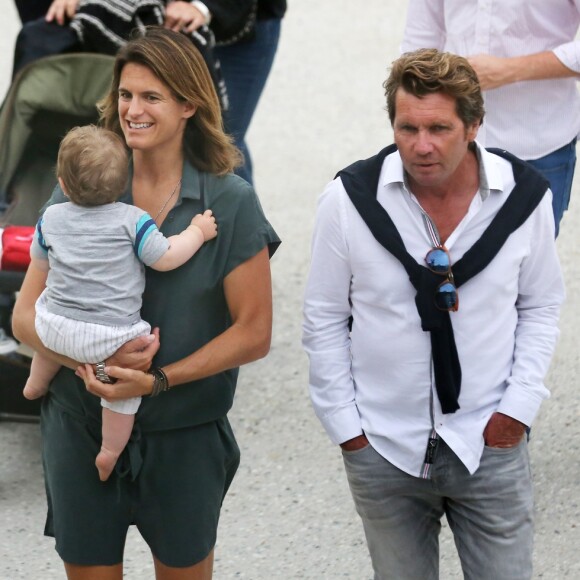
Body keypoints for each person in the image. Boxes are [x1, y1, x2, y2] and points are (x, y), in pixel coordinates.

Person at [12, 26, 280, 579]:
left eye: (151, 97)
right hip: (78, 425)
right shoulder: (80, 186)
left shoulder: (229, 203)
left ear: (188, 104)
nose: (133, 109)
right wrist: (93, 364)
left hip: (184, 435)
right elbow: (24, 316)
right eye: (126, 95)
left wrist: (157, 380)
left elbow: (253, 334)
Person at [302, 48, 564, 580]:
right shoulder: (348, 201)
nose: (421, 147)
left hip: (488, 442)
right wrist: (348, 429)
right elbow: (324, 317)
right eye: (407, 128)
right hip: (383, 446)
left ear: (474, 125)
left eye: (439, 128)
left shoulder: (524, 198)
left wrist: (517, 410)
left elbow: (540, 305)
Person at [23, 124, 218, 483]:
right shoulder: (133, 220)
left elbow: (40, 257)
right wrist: (197, 232)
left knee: (51, 311)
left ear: (63, 185)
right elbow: (166, 257)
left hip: (54, 327)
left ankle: (35, 383)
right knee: (123, 395)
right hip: (112, 338)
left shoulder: (50, 218)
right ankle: (109, 451)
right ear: (122, 183)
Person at [401, 0, 580, 236]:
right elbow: (421, 34)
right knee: (439, 255)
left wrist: (511, 70)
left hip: (538, 144)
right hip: (449, 140)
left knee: (528, 261)